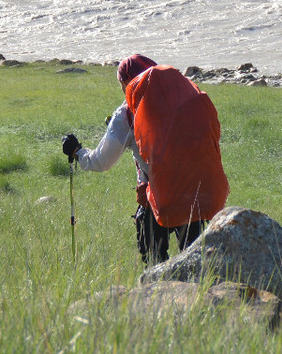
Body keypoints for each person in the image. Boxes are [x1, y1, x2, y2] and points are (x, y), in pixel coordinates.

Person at [62, 54, 230, 265]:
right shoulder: (185, 100)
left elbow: (101, 161)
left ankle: (159, 295)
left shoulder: (126, 115)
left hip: (158, 199)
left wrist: (77, 151)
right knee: (197, 265)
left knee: (155, 266)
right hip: (197, 195)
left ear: (126, 82)